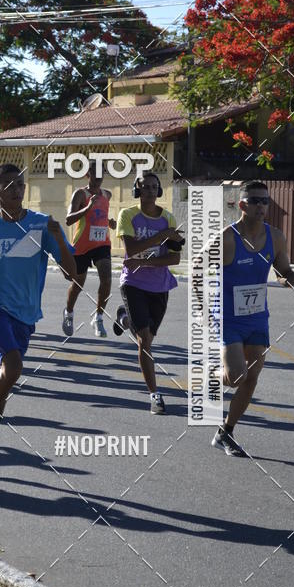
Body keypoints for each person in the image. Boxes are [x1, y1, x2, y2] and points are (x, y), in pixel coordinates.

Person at [0, 163, 76, 477]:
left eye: (20, 184)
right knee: (12, 366)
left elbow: (71, 272)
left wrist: (58, 238)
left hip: (25, 314)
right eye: (8, 185)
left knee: (3, 373)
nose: (16, 190)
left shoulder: (41, 224)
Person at [213, 180, 294, 457]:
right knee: (236, 376)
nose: (262, 206)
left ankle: (226, 432)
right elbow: (199, 269)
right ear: (242, 205)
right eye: (255, 201)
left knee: (251, 377)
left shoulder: (276, 237)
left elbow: (283, 272)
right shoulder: (227, 237)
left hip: (257, 317)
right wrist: (203, 308)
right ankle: (211, 373)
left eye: (265, 201)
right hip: (228, 316)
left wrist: (291, 279)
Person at [112, 172, 183, 414]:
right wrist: (161, 236)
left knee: (148, 338)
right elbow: (131, 249)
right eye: (145, 187)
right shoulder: (128, 215)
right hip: (133, 283)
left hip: (159, 286)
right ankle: (155, 395)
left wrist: (145, 262)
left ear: (159, 190)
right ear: (137, 190)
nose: (150, 191)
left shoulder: (168, 218)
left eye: (154, 187)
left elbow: (174, 258)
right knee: (144, 341)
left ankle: (124, 318)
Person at [62, 161, 116, 337]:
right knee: (78, 284)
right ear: (87, 174)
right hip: (82, 245)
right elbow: (69, 219)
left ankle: (98, 318)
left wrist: (110, 222)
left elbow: (100, 216)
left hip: (102, 244)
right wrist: (87, 207)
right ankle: (69, 312)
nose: (98, 176)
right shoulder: (80, 194)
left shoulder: (107, 195)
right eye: (94, 173)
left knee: (107, 279)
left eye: (101, 173)